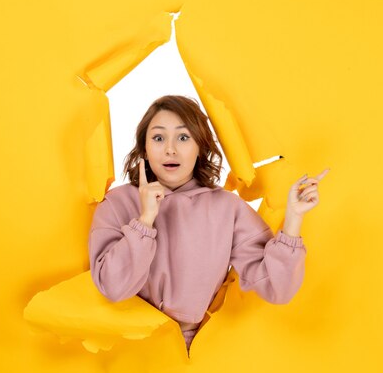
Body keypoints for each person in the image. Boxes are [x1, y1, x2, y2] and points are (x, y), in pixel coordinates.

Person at [88, 95, 329, 352]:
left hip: (196, 354)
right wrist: (144, 221)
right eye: (158, 138)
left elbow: (277, 288)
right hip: (127, 351)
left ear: (200, 146)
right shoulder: (116, 203)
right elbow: (112, 288)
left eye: (183, 137)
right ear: (144, 148)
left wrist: (293, 217)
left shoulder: (227, 208)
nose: (170, 149)